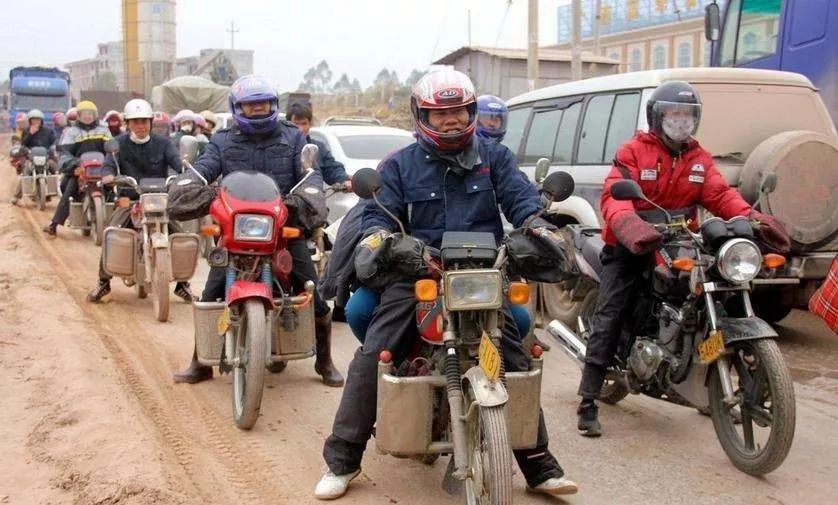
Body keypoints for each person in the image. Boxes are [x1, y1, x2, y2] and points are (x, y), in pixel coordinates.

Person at [315, 69, 577, 500]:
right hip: (421, 277)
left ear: (471, 111)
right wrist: (390, 244)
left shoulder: (495, 157)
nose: (452, 121)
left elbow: (522, 201)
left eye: (459, 111)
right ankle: (342, 460)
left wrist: (537, 226)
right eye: (441, 115)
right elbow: (379, 218)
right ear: (423, 116)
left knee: (514, 356)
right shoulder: (398, 165)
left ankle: (538, 463)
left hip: (483, 276)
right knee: (375, 353)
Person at [575, 80, 791, 437]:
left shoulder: (698, 158)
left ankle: (711, 386)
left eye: (688, 114)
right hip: (632, 246)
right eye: (673, 113)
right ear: (657, 117)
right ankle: (587, 400)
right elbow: (615, 195)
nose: (681, 121)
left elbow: (721, 196)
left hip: (681, 242)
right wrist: (629, 224)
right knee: (611, 313)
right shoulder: (633, 151)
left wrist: (755, 220)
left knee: (718, 294)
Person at [172, 75, 344, 388]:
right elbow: (206, 166)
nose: (257, 108)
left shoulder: (292, 138)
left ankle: (324, 360)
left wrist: (309, 194)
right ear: (238, 107)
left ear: (273, 104)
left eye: (263, 102)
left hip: (282, 226)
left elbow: (310, 176)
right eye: (250, 104)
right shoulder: (222, 141)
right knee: (211, 294)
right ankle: (201, 361)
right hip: (236, 229)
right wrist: (193, 184)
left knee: (313, 293)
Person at [86, 99, 197, 304]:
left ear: (151, 123)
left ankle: (182, 286)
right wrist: (109, 176)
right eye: (136, 122)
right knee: (112, 229)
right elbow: (109, 166)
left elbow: (177, 163)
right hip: (130, 198)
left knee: (180, 234)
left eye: (144, 121)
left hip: (159, 199)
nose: (141, 126)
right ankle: (103, 282)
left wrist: (186, 172)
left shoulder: (164, 143)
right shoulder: (117, 144)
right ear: (127, 123)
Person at [42, 100, 112, 236]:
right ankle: (54, 224)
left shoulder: (104, 129)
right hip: (80, 170)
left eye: (90, 114)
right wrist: (73, 164)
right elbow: (65, 153)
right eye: (84, 114)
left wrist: (111, 163)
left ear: (95, 115)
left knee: (114, 190)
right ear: (78, 116)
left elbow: (111, 150)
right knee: (69, 190)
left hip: (102, 169)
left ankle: (119, 225)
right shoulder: (71, 132)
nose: (87, 117)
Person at [286, 102, 350, 186]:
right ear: (287, 124)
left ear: (310, 124)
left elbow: (331, 169)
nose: (300, 129)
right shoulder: (279, 147)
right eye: (296, 124)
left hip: (312, 196)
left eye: (304, 123)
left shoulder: (318, 148)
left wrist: (343, 180)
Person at [11, 109, 57, 205]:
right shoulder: (26, 131)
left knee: (54, 170)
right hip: (31, 157)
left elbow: (54, 142)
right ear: (30, 121)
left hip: (46, 157)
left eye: (38, 120)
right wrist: (30, 134)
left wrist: (52, 150)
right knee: (26, 173)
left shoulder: (48, 131)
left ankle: (53, 193)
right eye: (34, 120)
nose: (36, 121)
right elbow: (23, 144)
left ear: (41, 120)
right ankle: (16, 196)